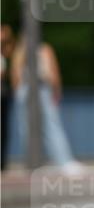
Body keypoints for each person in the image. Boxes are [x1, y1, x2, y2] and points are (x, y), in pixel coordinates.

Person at [10, 37, 86, 174]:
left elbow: (15, 74)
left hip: (28, 90)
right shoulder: (43, 49)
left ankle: (35, 163)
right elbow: (54, 72)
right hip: (40, 88)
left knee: (29, 128)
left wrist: (18, 91)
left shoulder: (21, 51)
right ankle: (63, 162)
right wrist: (57, 91)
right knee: (51, 126)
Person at [1, 24, 15, 171]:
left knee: (4, 128)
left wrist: (8, 37)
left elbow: (12, 50)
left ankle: (2, 162)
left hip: (3, 94)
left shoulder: (4, 53)